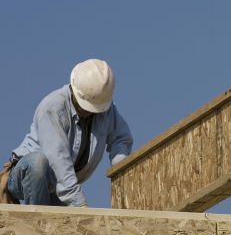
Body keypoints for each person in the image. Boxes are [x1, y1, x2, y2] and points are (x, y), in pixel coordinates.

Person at [3, 59, 133, 207]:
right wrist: (80, 206)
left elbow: (120, 138)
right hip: (26, 175)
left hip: (59, 186)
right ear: (76, 91)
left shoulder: (104, 108)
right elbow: (59, 160)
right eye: (88, 108)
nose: (90, 113)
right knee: (38, 163)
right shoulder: (53, 108)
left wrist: (120, 170)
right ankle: (37, 222)